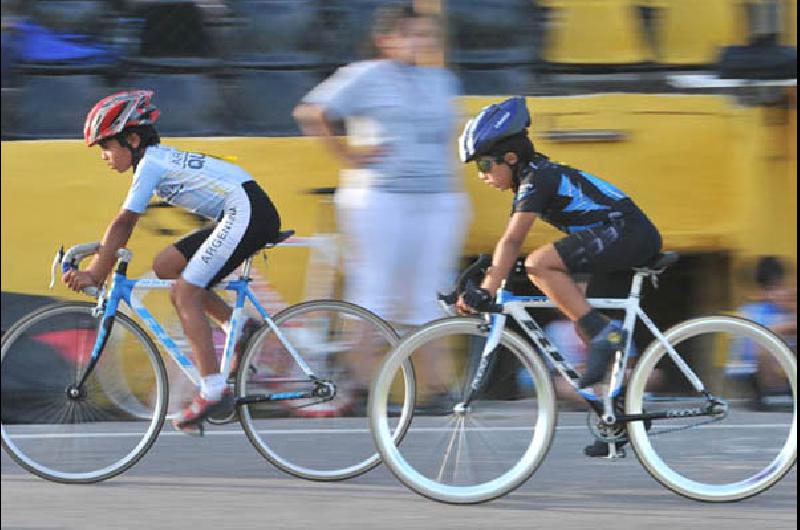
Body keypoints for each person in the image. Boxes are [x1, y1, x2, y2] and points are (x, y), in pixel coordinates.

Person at [64, 90, 281, 433]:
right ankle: (238, 327)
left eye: (107, 146)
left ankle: (212, 391)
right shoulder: (154, 161)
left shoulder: (151, 163)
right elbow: (119, 230)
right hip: (242, 209)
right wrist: (101, 252)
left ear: (132, 139)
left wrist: (95, 273)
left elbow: (123, 223)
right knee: (166, 265)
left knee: (184, 293)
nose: (103, 156)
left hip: (246, 212)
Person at [293, 5, 469, 404]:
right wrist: (350, 154)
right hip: (381, 197)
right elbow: (312, 112)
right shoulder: (366, 75)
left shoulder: (442, 80)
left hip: (439, 197)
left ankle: (436, 389)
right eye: (409, 34)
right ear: (387, 39)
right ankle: (363, 386)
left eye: (425, 35)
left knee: (433, 292)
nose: (419, 42)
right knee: (375, 290)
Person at [456, 96, 663, 392]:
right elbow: (508, 244)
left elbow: (513, 239)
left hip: (627, 232)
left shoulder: (538, 179)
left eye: (486, 164)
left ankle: (606, 334)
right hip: (620, 232)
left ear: (511, 158)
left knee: (539, 264)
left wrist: (488, 289)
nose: (482, 174)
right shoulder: (533, 177)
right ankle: (613, 421)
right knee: (580, 318)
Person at [729, 256, 797, 408]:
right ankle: (775, 392)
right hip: (759, 371)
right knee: (772, 337)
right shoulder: (759, 311)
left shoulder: (750, 309)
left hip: (757, 371)